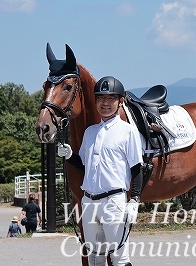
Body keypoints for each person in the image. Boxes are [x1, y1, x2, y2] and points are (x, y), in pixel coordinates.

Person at [57, 76, 144, 266]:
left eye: (111, 98)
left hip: (114, 201)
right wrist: (70, 155)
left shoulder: (128, 132)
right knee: (95, 257)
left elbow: (137, 168)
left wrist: (134, 200)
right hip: (89, 201)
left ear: (120, 101)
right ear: (95, 100)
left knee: (119, 258)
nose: (105, 103)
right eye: (101, 98)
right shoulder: (90, 132)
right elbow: (84, 166)